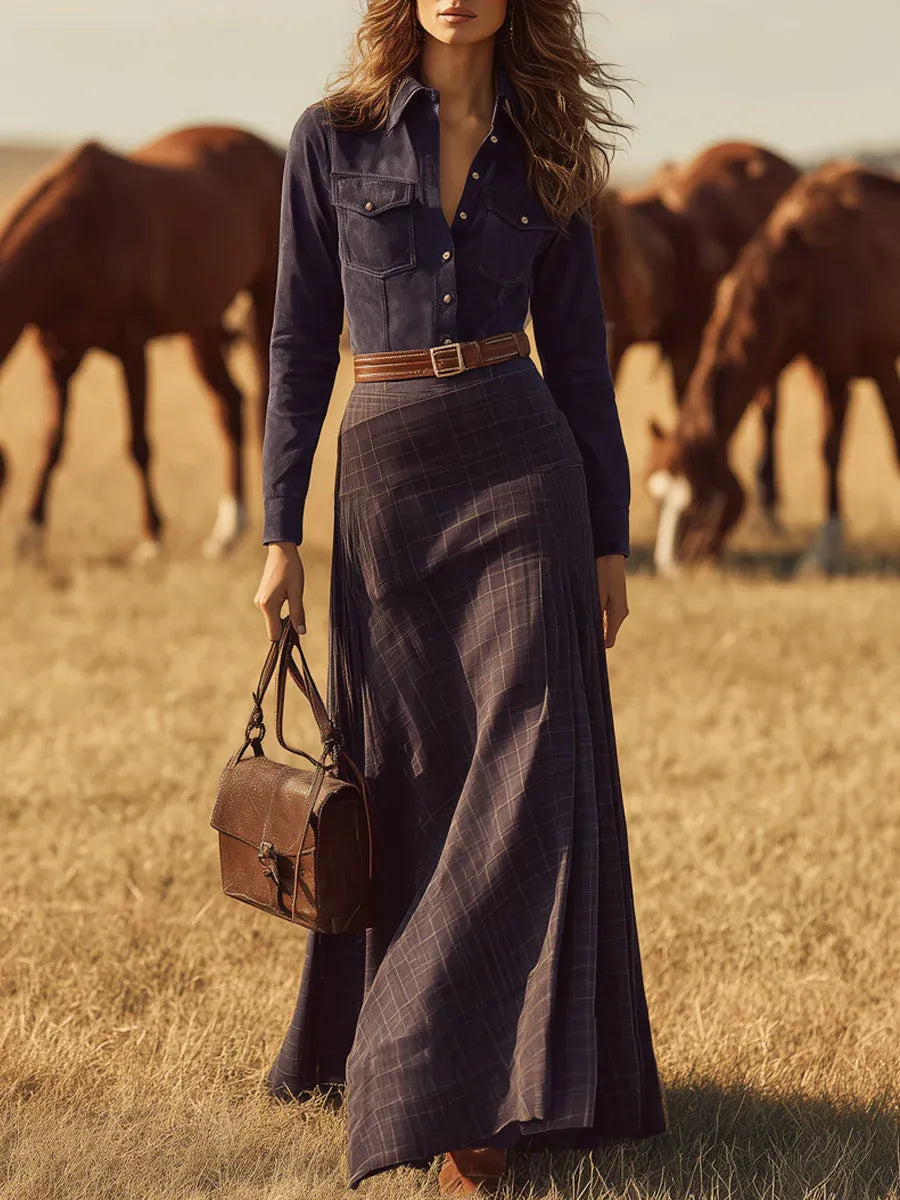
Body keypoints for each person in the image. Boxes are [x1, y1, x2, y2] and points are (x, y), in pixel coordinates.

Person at [253, 0, 667, 1192]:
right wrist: (279, 532)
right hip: (385, 475)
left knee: (530, 775)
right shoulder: (327, 140)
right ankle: (412, 1052)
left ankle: (484, 1106)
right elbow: (296, 346)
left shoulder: (549, 147)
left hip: (522, 466)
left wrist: (608, 540)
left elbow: (583, 364)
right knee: (413, 779)